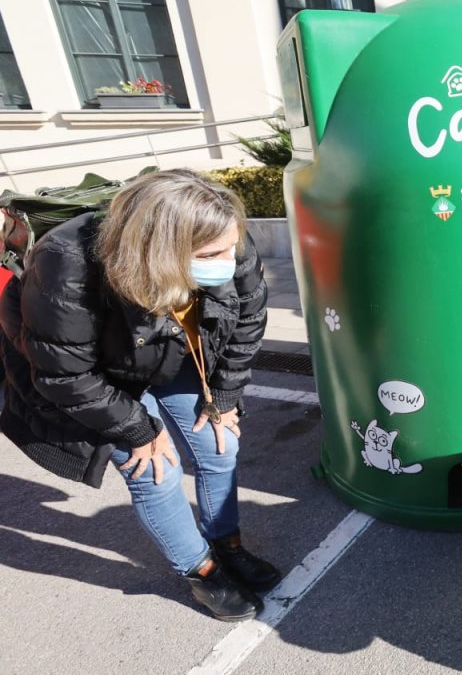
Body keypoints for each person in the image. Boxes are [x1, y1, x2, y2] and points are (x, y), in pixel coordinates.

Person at [0, 169, 278, 621]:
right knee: (154, 471)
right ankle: (201, 570)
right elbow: (64, 371)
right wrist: (136, 428)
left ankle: (227, 546)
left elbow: (248, 318)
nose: (229, 260)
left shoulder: (222, 235)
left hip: (170, 350)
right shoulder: (66, 263)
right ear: (159, 249)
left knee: (219, 445)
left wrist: (224, 394)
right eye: (211, 254)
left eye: (232, 246)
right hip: (102, 374)